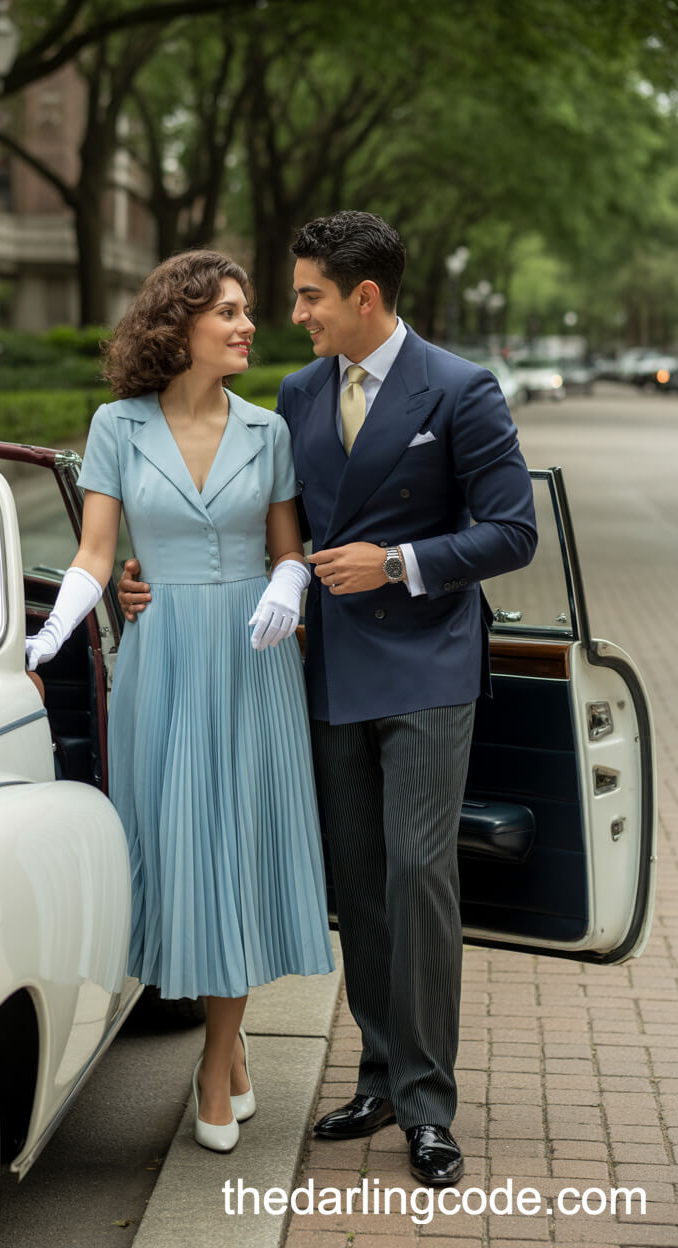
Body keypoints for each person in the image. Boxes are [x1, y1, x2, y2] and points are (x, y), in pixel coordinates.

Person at [119, 212, 537, 1185]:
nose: (295, 312)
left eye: (309, 295)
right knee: (359, 882)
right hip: (328, 667)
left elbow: (512, 531)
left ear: (365, 297)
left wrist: (396, 561)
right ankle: (379, 1075)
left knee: (418, 874)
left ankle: (427, 1106)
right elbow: (270, 528)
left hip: (426, 667)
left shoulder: (460, 388)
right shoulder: (301, 393)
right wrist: (148, 576)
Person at [26, 250, 334, 1154]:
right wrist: (50, 635)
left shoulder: (268, 430)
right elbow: (95, 553)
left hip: (251, 657)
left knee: (234, 851)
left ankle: (213, 1059)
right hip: (161, 657)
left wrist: (290, 583)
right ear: (180, 322)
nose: (247, 325)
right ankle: (232, 1049)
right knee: (174, 851)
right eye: (228, 311)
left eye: (247, 311)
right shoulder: (115, 425)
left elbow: (288, 547)